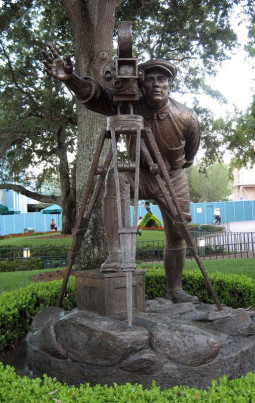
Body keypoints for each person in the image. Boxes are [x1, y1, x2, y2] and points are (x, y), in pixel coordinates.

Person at [42, 47, 200, 304]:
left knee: (178, 233)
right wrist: (71, 79)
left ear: (170, 84)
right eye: (150, 79)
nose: (156, 84)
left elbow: (190, 155)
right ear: (141, 82)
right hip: (140, 173)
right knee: (115, 177)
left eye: (162, 79)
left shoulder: (187, 117)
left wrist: (171, 169)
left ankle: (175, 289)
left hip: (172, 176)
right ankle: (116, 254)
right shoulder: (129, 105)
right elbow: (97, 97)